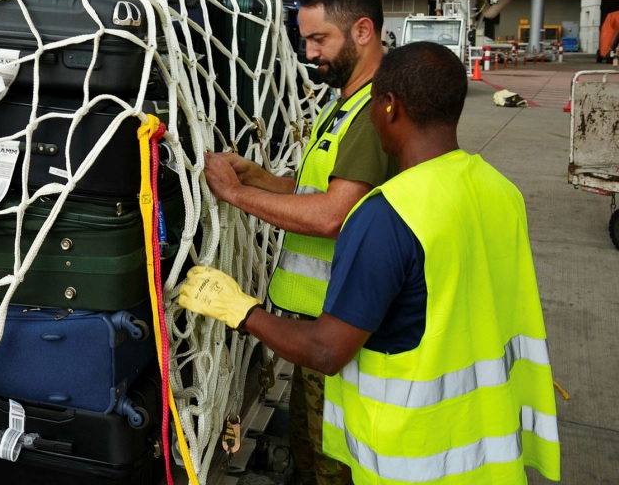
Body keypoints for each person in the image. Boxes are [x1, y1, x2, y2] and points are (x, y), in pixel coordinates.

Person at [180, 42, 561, 483]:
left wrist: (240, 310)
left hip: (414, 461)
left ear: (388, 107)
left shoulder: (387, 216)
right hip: (490, 455)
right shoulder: (501, 191)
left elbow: (326, 350)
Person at [204, 0, 395, 485]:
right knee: (310, 458)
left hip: (345, 333)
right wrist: (265, 181)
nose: (309, 54)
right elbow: (317, 192)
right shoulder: (346, 103)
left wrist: (236, 195)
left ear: (361, 31)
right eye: (305, 40)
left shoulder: (376, 110)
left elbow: (333, 214)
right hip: (316, 327)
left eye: (318, 39)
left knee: (336, 466)